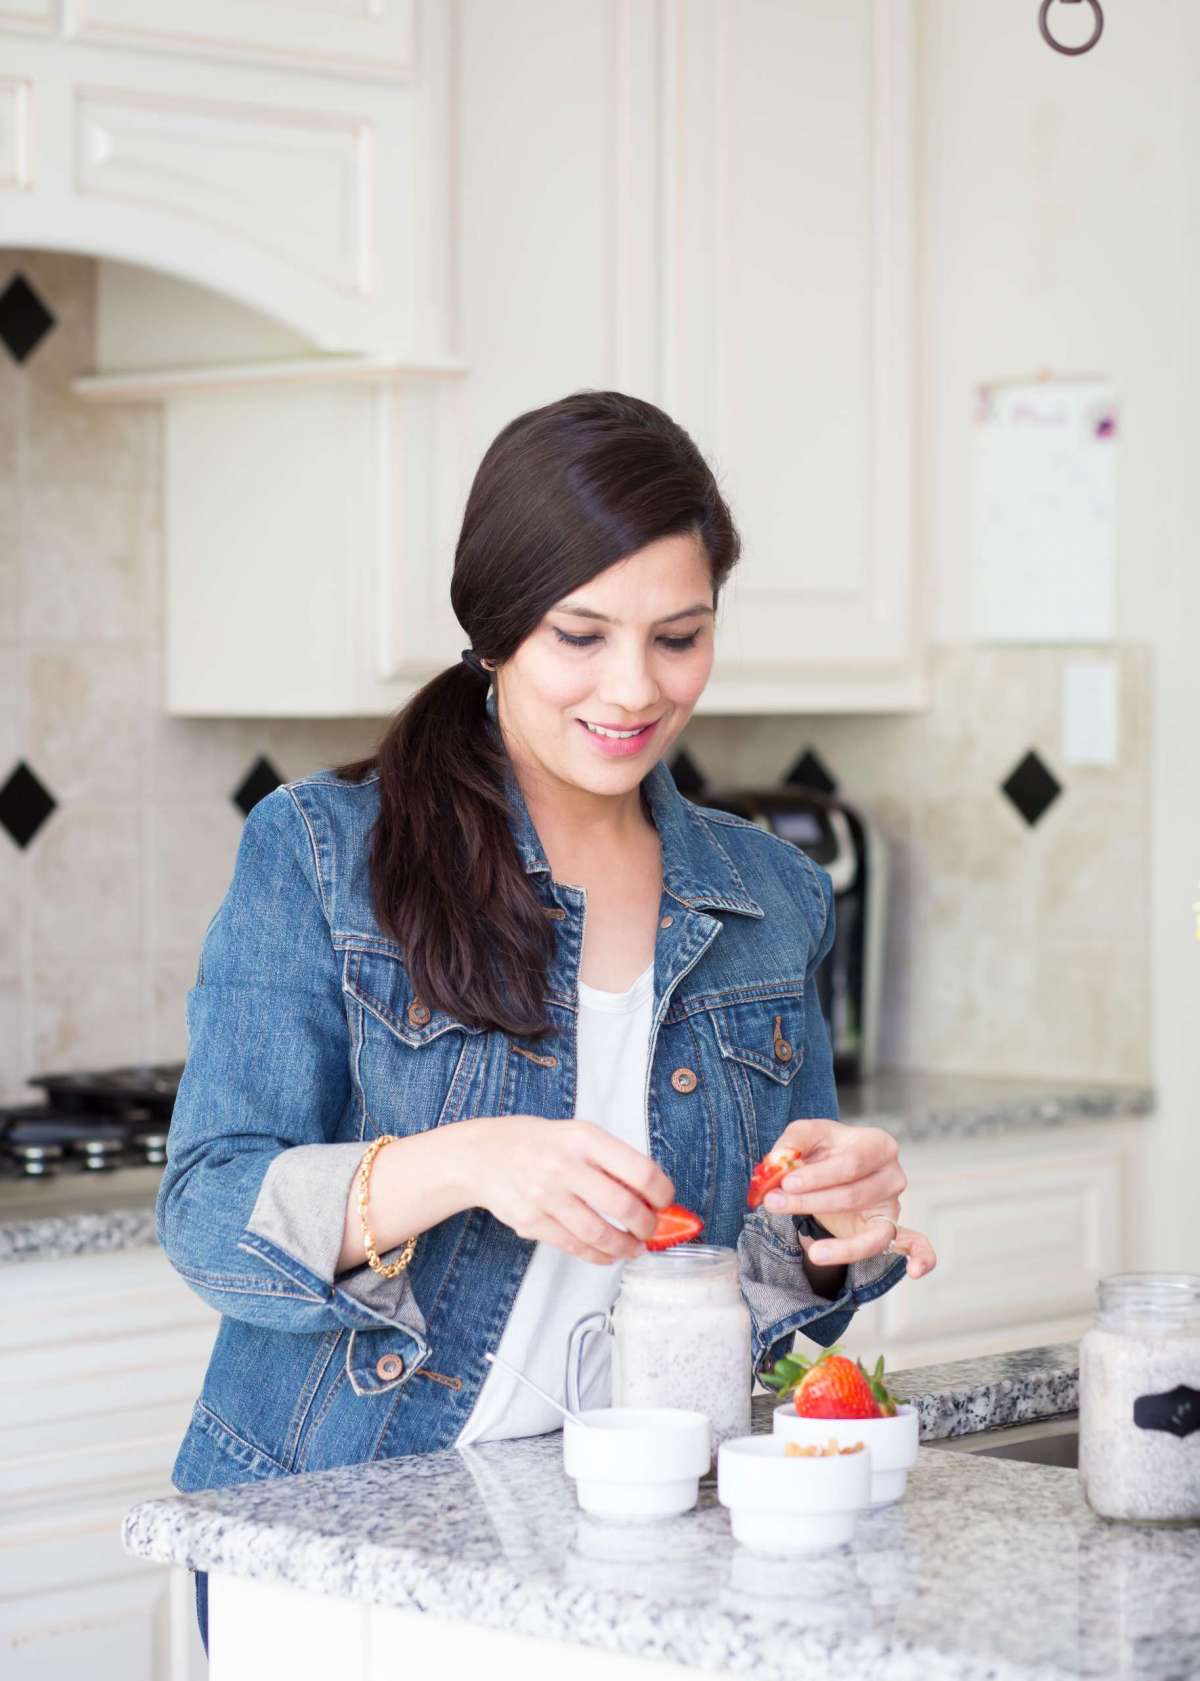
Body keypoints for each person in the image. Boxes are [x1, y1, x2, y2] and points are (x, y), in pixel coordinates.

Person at [158, 390, 936, 1657]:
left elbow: (749, 1288)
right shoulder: (317, 852)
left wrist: (833, 1239)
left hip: (635, 1538)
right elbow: (205, 1214)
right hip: (340, 1518)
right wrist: (463, 1163)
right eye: (580, 634)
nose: (633, 687)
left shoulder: (768, 896)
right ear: (496, 627)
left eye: (678, 637)